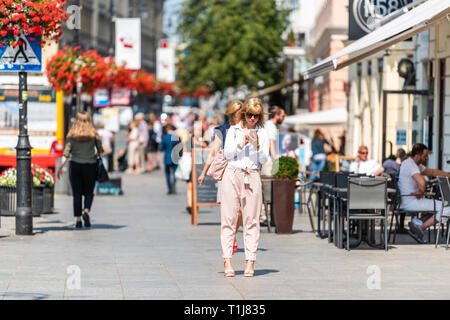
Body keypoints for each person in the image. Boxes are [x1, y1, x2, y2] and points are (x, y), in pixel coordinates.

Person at [221, 97, 269, 277]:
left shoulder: (263, 133)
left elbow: (265, 159)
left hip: (253, 175)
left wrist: (256, 145)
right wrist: (242, 143)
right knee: (229, 220)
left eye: (256, 116)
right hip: (233, 174)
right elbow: (228, 154)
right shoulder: (233, 131)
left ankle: (250, 262)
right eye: (249, 115)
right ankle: (227, 260)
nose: (252, 119)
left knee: (252, 220)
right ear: (244, 114)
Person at [198, 100, 244, 255]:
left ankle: (232, 233)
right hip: (227, 174)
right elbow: (213, 151)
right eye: (237, 111)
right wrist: (204, 172)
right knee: (230, 210)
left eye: (241, 111)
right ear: (231, 113)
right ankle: (231, 237)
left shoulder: (247, 128)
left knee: (242, 211)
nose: (239, 114)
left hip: (244, 173)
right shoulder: (222, 130)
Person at [56, 112, 104, 228]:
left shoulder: (72, 135)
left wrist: (60, 167)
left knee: (76, 194)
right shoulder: (94, 134)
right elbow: (100, 150)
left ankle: (78, 220)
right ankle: (86, 211)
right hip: (90, 166)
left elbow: (66, 153)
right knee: (89, 192)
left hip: (75, 165)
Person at [398, 143, 450, 241]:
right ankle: (420, 227)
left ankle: (417, 222)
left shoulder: (414, 164)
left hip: (410, 200)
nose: (427, 158)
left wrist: (447, 175)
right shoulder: (410, 164)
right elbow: (422, 181)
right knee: (447, 207)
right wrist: (421, 191)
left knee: (439, 209)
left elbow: (433, 172)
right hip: (411, 202)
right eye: (425, 156)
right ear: (417, 156)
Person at [262, 105, 285, 176]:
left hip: (267, 160)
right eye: (282, 116)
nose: (283, 118)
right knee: (270, 185)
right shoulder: (271, 126)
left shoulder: (268, 124)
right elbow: (270, 143)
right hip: (269, 161)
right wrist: (276, 160)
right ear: (276, 115)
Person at [160, 124, 181, 195]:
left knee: (168, 173)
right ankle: (174, 183)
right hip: (175, 157)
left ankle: (169, 188)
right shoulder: (176, 137)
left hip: (167, 157)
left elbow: (161, 148)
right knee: (175, 172)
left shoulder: (165, 137)